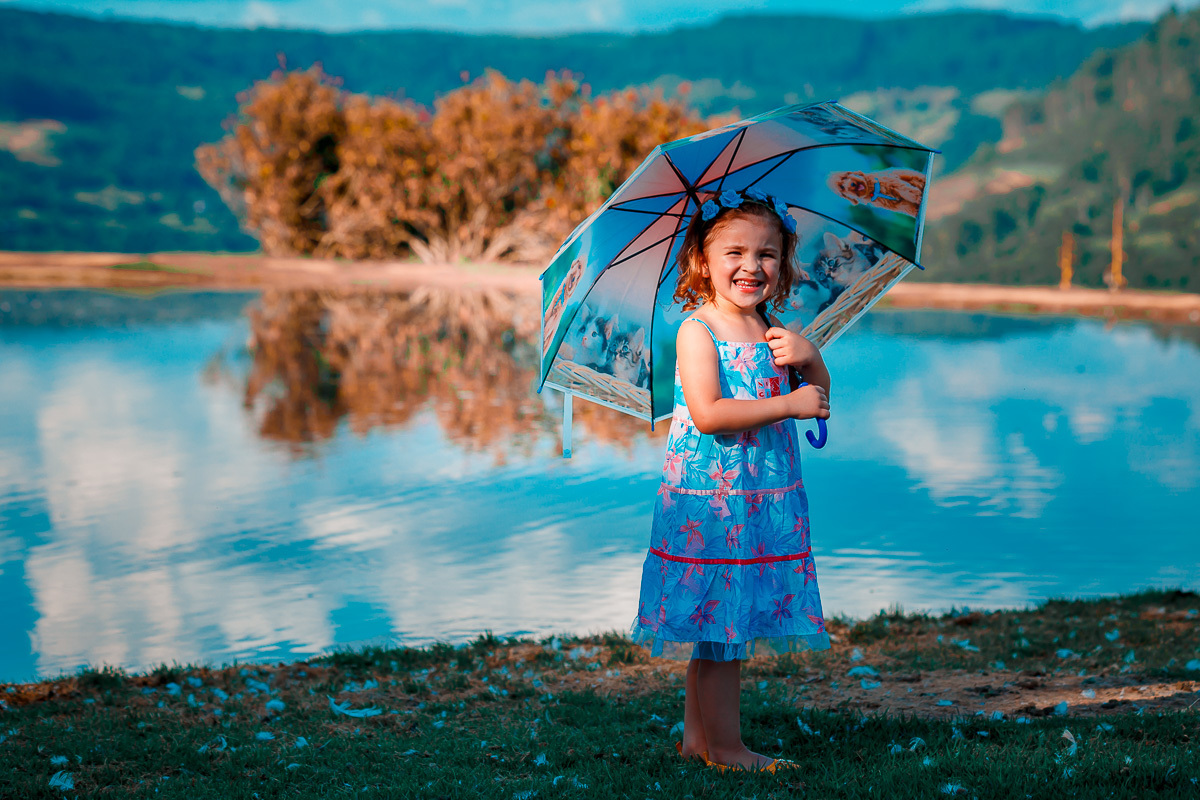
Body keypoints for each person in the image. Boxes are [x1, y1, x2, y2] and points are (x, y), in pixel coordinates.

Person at [628, 188, 832, 773]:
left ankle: (698, 742)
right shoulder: (699, 330)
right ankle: (728, 749)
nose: (752, 266)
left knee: (719, 625)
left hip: (760, 495)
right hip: (714, 500)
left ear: (784, 263)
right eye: (735, 253)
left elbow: (817, 400)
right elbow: (711, 413)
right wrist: (788, 405)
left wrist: (810, 356)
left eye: (768, 254)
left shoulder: (773, 329)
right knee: (721, 631)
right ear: (703, 260)